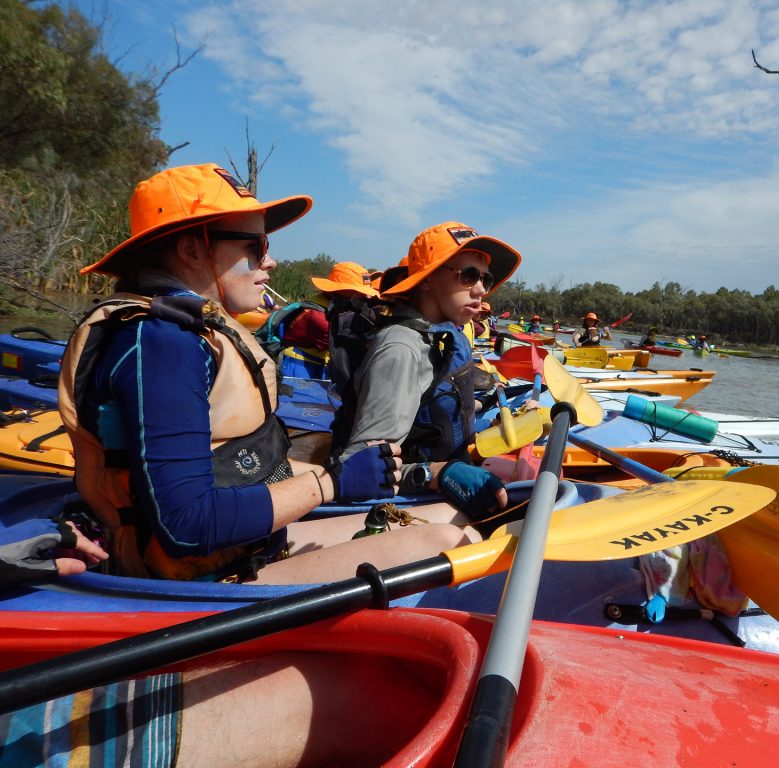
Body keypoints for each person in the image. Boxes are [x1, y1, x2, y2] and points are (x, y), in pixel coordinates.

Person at [57, 163, 472, 585]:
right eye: (255, 245)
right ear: (192, 250)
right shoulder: (161, 343)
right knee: (450, 543)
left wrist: (427, 474)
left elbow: (246, 468)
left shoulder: (190, 333)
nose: (270, 260)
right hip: (199, 579)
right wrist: (330, 483)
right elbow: (186, 525)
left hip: (249, 547)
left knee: (456, 517)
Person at [0, 519, 431, 766]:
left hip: (233, 560)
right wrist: (332, 483)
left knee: (441, 543)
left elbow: (255, 458)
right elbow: (184, 522)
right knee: (372, 696)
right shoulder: (166, 358)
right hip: (180, 566)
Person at [333, 221, 521, 527]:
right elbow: (360, 467)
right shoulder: (401, 348)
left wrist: (483, 412)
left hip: (449, 471)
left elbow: (432, 406)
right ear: (426, 280)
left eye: (485, 278)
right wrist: (434, 474)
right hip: (406, 499)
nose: (482, 289)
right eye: (469, 275)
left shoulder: (439, 335)